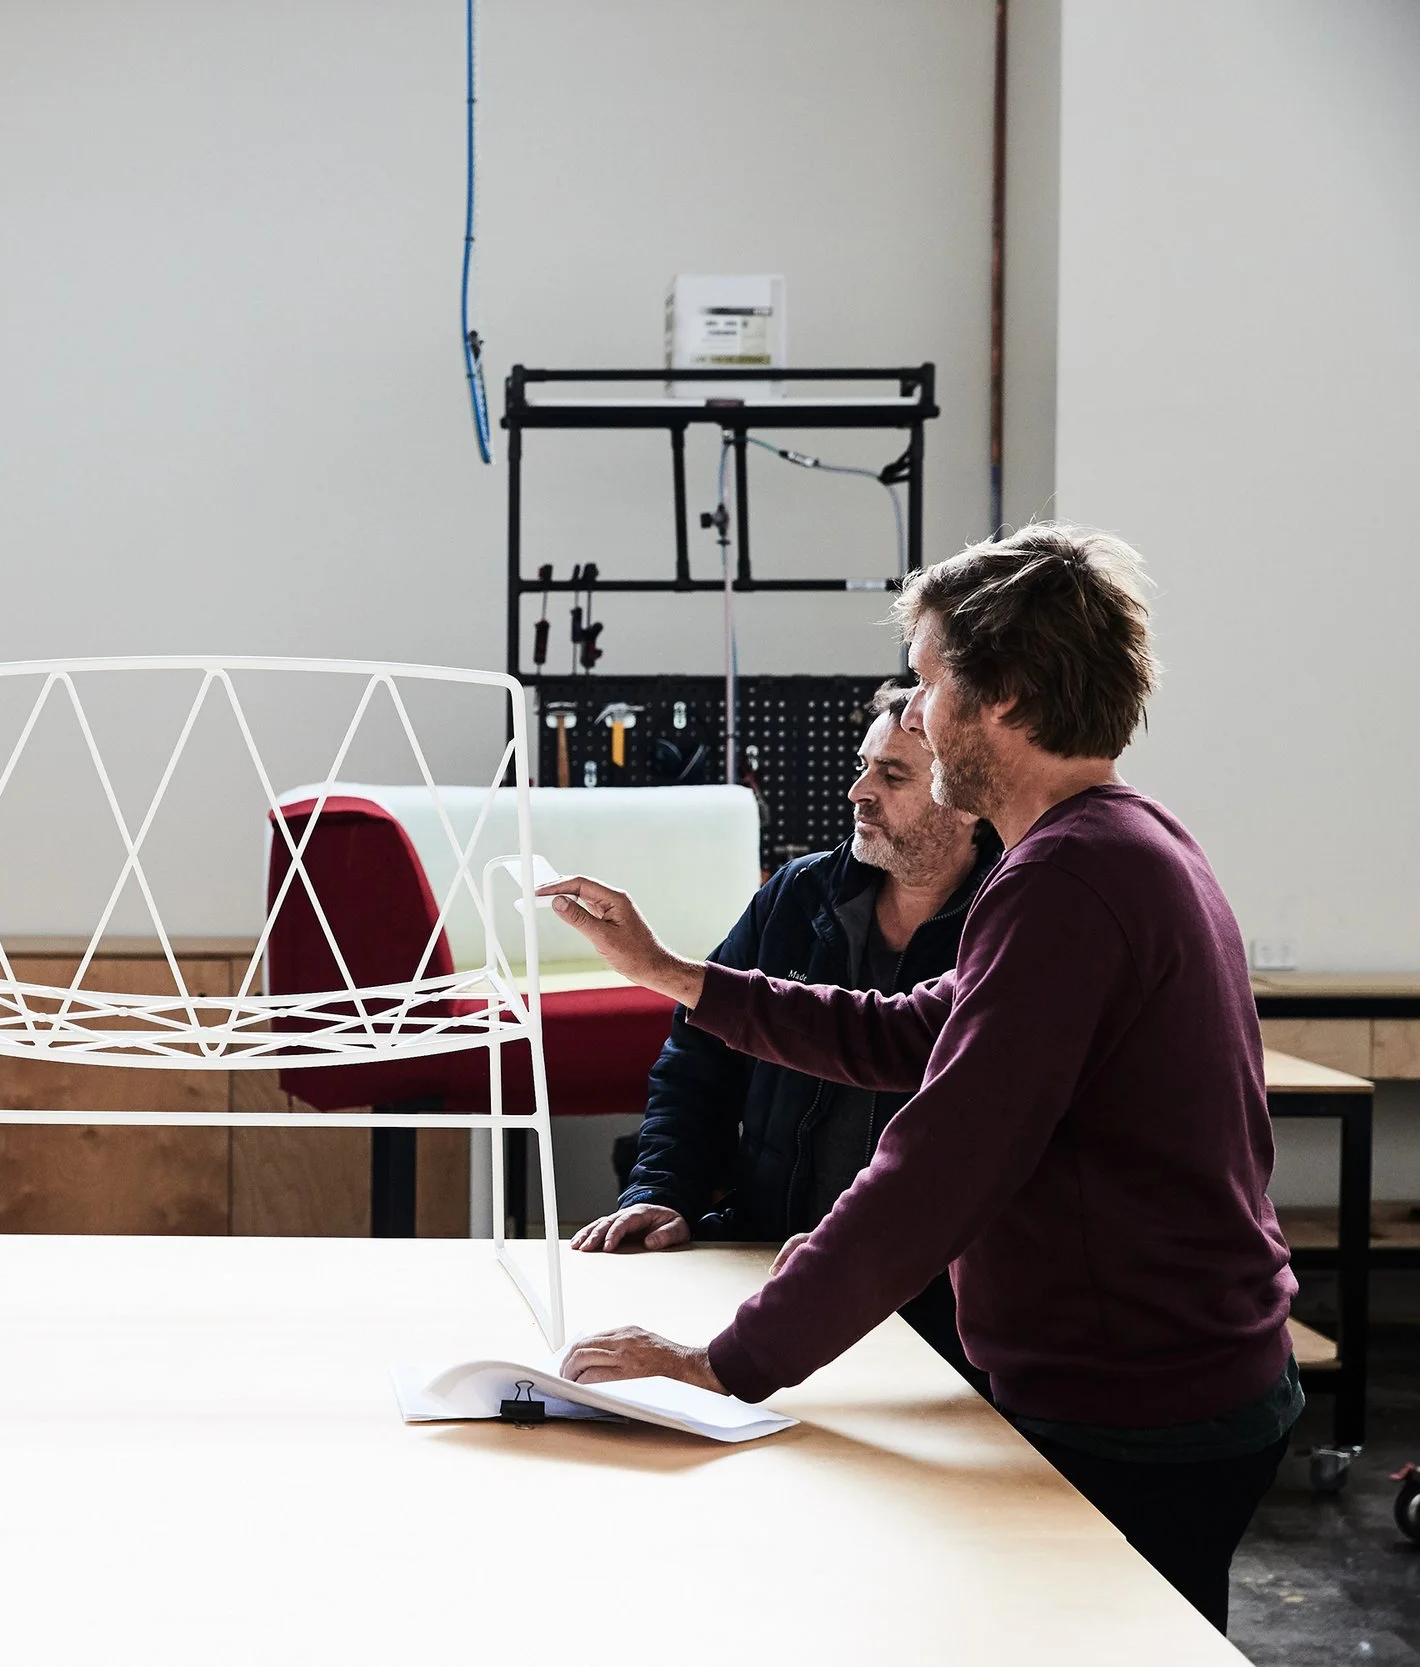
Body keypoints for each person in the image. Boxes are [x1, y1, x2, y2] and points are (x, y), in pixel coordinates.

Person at [537, 525, 1297, 1633]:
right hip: (1167, 1382)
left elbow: (937, 1166)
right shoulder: (1101, 848)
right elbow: (909, 1034)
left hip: (1142, 1406)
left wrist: (727, 1359)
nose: (917, 708)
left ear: (1008, 697)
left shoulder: (1072, 879)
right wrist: (675, 976)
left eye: (934, 682)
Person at [571, 682, 998, 1392]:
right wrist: (665, 1189)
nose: (860, 791)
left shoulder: (1005, 923)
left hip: (931, 1313)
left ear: (966, 801)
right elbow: (697, 1061)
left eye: (892, 775)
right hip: (767, 1270)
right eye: (863, 765)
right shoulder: (799, 896)